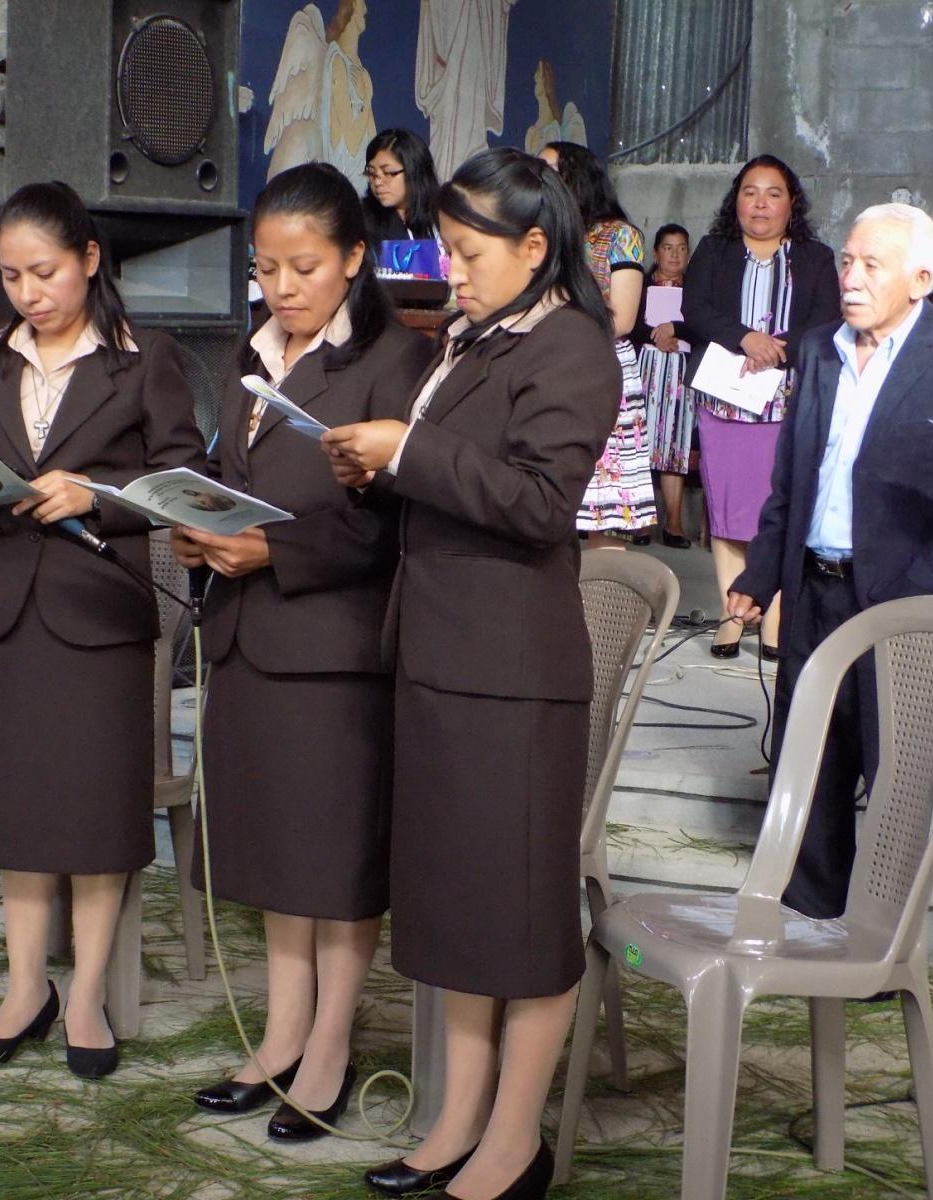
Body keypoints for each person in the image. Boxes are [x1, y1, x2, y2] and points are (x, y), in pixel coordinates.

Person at [323, 146, 620, 1200]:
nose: (450, 269)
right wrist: (372, 469)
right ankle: (455, 1119)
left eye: (466, 250)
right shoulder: (473, 338)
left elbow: (541, 503)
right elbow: (448, 484)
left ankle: (515, 1142)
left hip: (511, 675)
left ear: (535, 248)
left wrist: (407, 449)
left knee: (519, 917)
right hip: (439, 656)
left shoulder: (573, 347)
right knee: (453, 906)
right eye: (445, 248)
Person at [176, 162, 435, 1137]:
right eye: (267, 269)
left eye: (304, 267)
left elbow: (388, 524)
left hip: (331, 648)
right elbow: (232, 470)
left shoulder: (390, 366)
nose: (283, 288)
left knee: (332, 862)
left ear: (355, 259)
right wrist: (193, 511)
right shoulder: (258, 351)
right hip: (247, 637)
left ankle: (329, 1047)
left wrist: (270, 550)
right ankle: (281, 1035)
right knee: (279, 860)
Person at [0, 181, 205, 1078]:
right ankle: (24, 990)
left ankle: (84, 993)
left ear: (89, 258)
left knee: (93, 810)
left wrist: (98, 494)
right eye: (11, 276)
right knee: (13, 807)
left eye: (44, 272)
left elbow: (183, 479)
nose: (28, 292)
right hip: (2, 605)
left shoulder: (142, 358)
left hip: (98, 613)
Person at [727, 203, 933, 921]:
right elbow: (792, 481)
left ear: (922, 279)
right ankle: (806, 926)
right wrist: (762, 573)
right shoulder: (815, 350)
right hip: (815, 591)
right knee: (810, 764)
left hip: (911, 602)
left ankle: (879, 947)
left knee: (895, 771)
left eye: (873, 265)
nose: (852, 277)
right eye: (847, 260)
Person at [685, 155, 841, 658]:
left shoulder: (815, 258)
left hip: (788, 401)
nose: (760, 202)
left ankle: (774, 618)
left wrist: (775, 349)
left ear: (791, 203)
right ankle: (732, 617)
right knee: (728, 511)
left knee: (775, 509)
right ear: (736, 200)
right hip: (724, 400)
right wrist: (745, 338)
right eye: (750, 191)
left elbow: (827, 321)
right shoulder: (714, 249)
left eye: (773, 192)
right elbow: (696, 310)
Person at [540, 140, 654, 544]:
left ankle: (606, 606)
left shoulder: (620, 236)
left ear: (577, 176)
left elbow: (621, 318)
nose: (539, 177)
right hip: (549, 364)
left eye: (549, 168)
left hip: (600, 367)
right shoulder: (541, 235)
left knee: (605, 516)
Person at [631, 222, 697, 547]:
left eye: (682, 248)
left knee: (676, 445)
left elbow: (704, 324)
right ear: (656, 253)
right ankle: (641, 523)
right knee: (642, 442)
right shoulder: (641, 285)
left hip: (683, 376)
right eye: (668, 248)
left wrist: (677, 331)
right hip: (646, 371)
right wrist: (658, 337)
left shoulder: (698, 289)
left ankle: (673, 524)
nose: (675, 254)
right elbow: (627, 324)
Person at [362, 128, 440, 246]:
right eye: (372, 174)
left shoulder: (442, 217)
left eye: (388, 173)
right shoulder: (363, 222)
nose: (377, 182)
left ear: (414, 171)